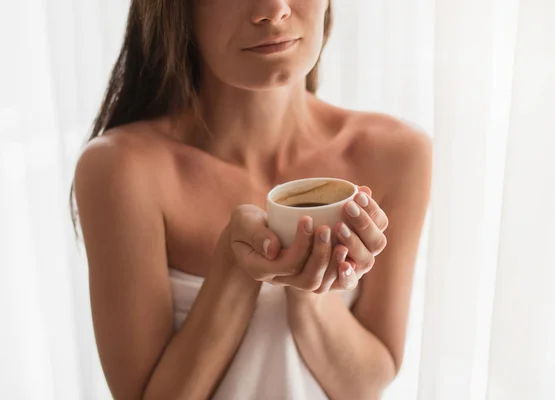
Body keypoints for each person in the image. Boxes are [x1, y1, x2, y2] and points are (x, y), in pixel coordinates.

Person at [72, 1, 432, 399]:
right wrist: (235, 265)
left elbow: (365, 384)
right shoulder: (121, 170)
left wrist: (309, 283)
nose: (273, 10)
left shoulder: (398, 154)